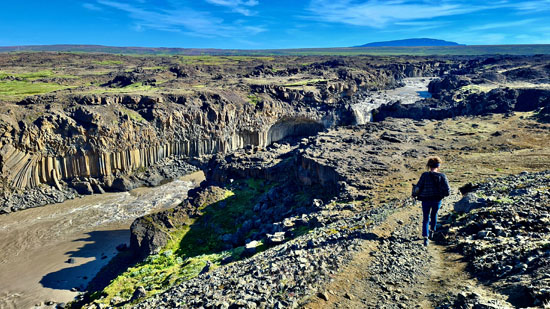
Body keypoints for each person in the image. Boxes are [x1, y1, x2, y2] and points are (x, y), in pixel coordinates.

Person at [413, 156, 450, 246]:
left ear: (429, 166)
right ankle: (432, 232)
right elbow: (448, 191)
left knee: (426, 218)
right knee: (434, 215)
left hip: (425, 200)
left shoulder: (424, 175)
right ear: (438, 166)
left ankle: (425, 238)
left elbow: (418, 187)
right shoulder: (442, 176)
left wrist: (414, 194)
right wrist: (442, 195)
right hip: (437, 200)